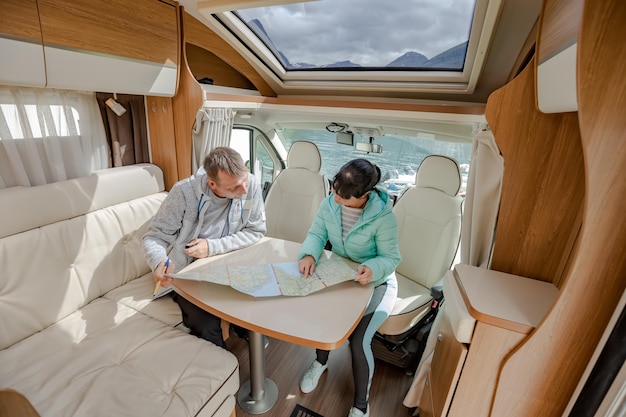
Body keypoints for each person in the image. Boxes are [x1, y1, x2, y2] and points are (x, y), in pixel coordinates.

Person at [297, 158, 401, 417]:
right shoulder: (330, 201)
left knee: (358, 340)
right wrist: (309, 254)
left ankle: (361, 406)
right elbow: (317, 234)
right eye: (334, 191)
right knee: (325, 320)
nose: (337, 200)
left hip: (377, 280)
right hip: (342, 273)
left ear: (364, 195)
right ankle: (320, 363)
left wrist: (373, 269)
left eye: (345, 198)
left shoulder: (383, 216)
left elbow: (391, 259)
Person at [143, 146, 266, 348]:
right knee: (207, 323)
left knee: (254, 301)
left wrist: (212, 247)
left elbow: (256, 231)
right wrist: (158, 262)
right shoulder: (183, 193)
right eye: (234, 187)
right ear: (212, 184)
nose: (244, 191)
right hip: (188, 273)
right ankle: (223, 367)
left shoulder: (249, 184)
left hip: (229, 264)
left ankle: (245, 330)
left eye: (244, 181)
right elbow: (154, 237)